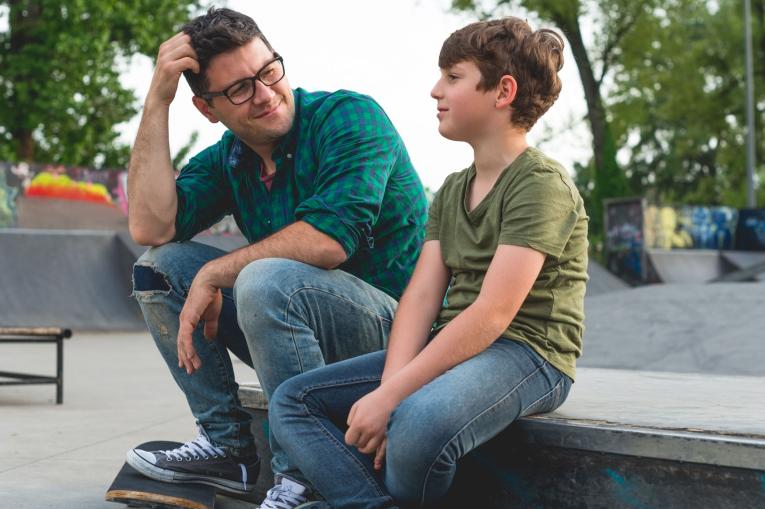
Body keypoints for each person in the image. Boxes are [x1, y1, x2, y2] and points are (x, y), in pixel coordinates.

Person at [266, 17, 589, 509]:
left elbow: (494, 314)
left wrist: (392, 400)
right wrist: (390, 388)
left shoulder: (541, 184)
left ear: (503, 91)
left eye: (453, 77)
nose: (435, 90)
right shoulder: (454, 188)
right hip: (455, 343)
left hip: (530, 354)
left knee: (415, 424)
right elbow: (420, 296)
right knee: (293, 402)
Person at [124, 7, 428, 500]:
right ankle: (228, 450)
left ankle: (302, 480)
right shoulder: (231, 157)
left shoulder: (348, 117)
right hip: (302, 328)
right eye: (241, 89)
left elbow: (328, 241)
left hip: (400, 343)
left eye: (268, 71)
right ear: (206, 108)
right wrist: (158, 99)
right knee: (160, 269)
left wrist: (217, 274)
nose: (266, 95)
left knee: (263, 279)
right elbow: (149, 225)